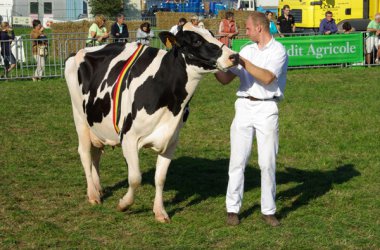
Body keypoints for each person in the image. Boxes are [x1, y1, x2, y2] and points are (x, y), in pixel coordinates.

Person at [214, 11, 288, 227]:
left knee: (267, 162)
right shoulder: (247, 49)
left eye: (247, 28)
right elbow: (226, 79)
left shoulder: (278, 50)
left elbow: (267, 78)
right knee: (237, 160)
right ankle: (232, 209)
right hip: (244, 106)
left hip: (267, 108)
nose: (244, 32)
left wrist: (243, 62)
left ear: (259, 28)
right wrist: (213, 65)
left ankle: (268, 210)